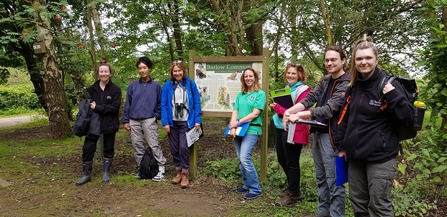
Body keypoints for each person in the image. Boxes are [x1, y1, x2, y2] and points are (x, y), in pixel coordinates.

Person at [334, 35, 414, 216]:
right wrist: (342, 147)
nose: (363, 62)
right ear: (354, 61)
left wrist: (393, 96)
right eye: (359, 58)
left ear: (376, 59)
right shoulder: (353, 87)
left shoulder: (389, 85)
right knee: (359, 204)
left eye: (368, 58)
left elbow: (408, 117)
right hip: (355, 158)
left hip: (381, 157)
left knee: (379, 206)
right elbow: (344, 119)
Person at [284, 46, 351, 217]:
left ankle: (336, 214)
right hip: (319, 133)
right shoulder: (325, 80)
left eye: (333, 59)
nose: (329, 63)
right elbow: (310, 98)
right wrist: (290, 110)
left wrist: (299, 114)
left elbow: (330, 109)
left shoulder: (347, 82)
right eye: (327, 60)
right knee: (321, 177)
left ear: (343, 60)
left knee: (335, 181)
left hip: (335, 137)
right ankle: (323, 212)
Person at [75, 58, 122, 186]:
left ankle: (106, 173)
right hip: (93, 124)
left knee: (108, 148)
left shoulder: (115, 90)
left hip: (109, 123)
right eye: (101, 72)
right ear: (98, 73)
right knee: (88, 148)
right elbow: (86, 106)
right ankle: (86, 174)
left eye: (106, 71)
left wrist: (98, 107)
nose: (103, 74)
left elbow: (114, 108)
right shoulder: (91, 89)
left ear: (110, 73)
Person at [270, 63, 311, 206]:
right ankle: (292, 188)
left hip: (294, 128)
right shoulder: (287, 89)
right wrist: (276, 107)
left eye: (293, 73)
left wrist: (278, 108)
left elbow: (298, 111)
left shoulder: (304, 91)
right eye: (288, 73)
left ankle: (294, 194)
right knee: (282, 160)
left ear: (300, 75)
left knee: (292, 162)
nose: (290, 76)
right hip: (280, 126)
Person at [122, 56, 167, 181]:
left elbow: (160, 103)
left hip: (149, 119)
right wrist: (125, 120)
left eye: (144, 68)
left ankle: (161, 168)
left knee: (153, 143)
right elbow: (128, 104)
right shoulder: (133, 86)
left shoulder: (156, 86)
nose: (142, 70)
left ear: (149, 69)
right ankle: (142, 169)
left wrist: (156, 116)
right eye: (140, 68)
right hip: (134, 119)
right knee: (137, 144)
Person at [161, 60, 202, 189]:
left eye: (179, 70)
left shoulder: (190, 84)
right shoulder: (168, 85)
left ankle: (185, 173)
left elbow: (196, 102)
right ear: (172, 72)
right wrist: (165, 122)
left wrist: (197, 120)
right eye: (175, 71)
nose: (177, 73)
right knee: (174, 148)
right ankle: (177, 172)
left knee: (183, 147)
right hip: (172, 122)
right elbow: (164, 104)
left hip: (186, 121)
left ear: (183, 71)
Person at [230, 67, 266, 200]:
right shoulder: (241, 94)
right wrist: (233, 125)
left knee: (245, 158)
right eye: (246, 76)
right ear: (243, 79)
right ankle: (247, 184)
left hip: (251, 129)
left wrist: (237, 122)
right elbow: (235, 110)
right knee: (240, 159)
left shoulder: (260, 94)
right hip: (238, 129)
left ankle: (256, 189)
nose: (248, 78)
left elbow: (255, 114)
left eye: (251, 76)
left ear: (255, 78)